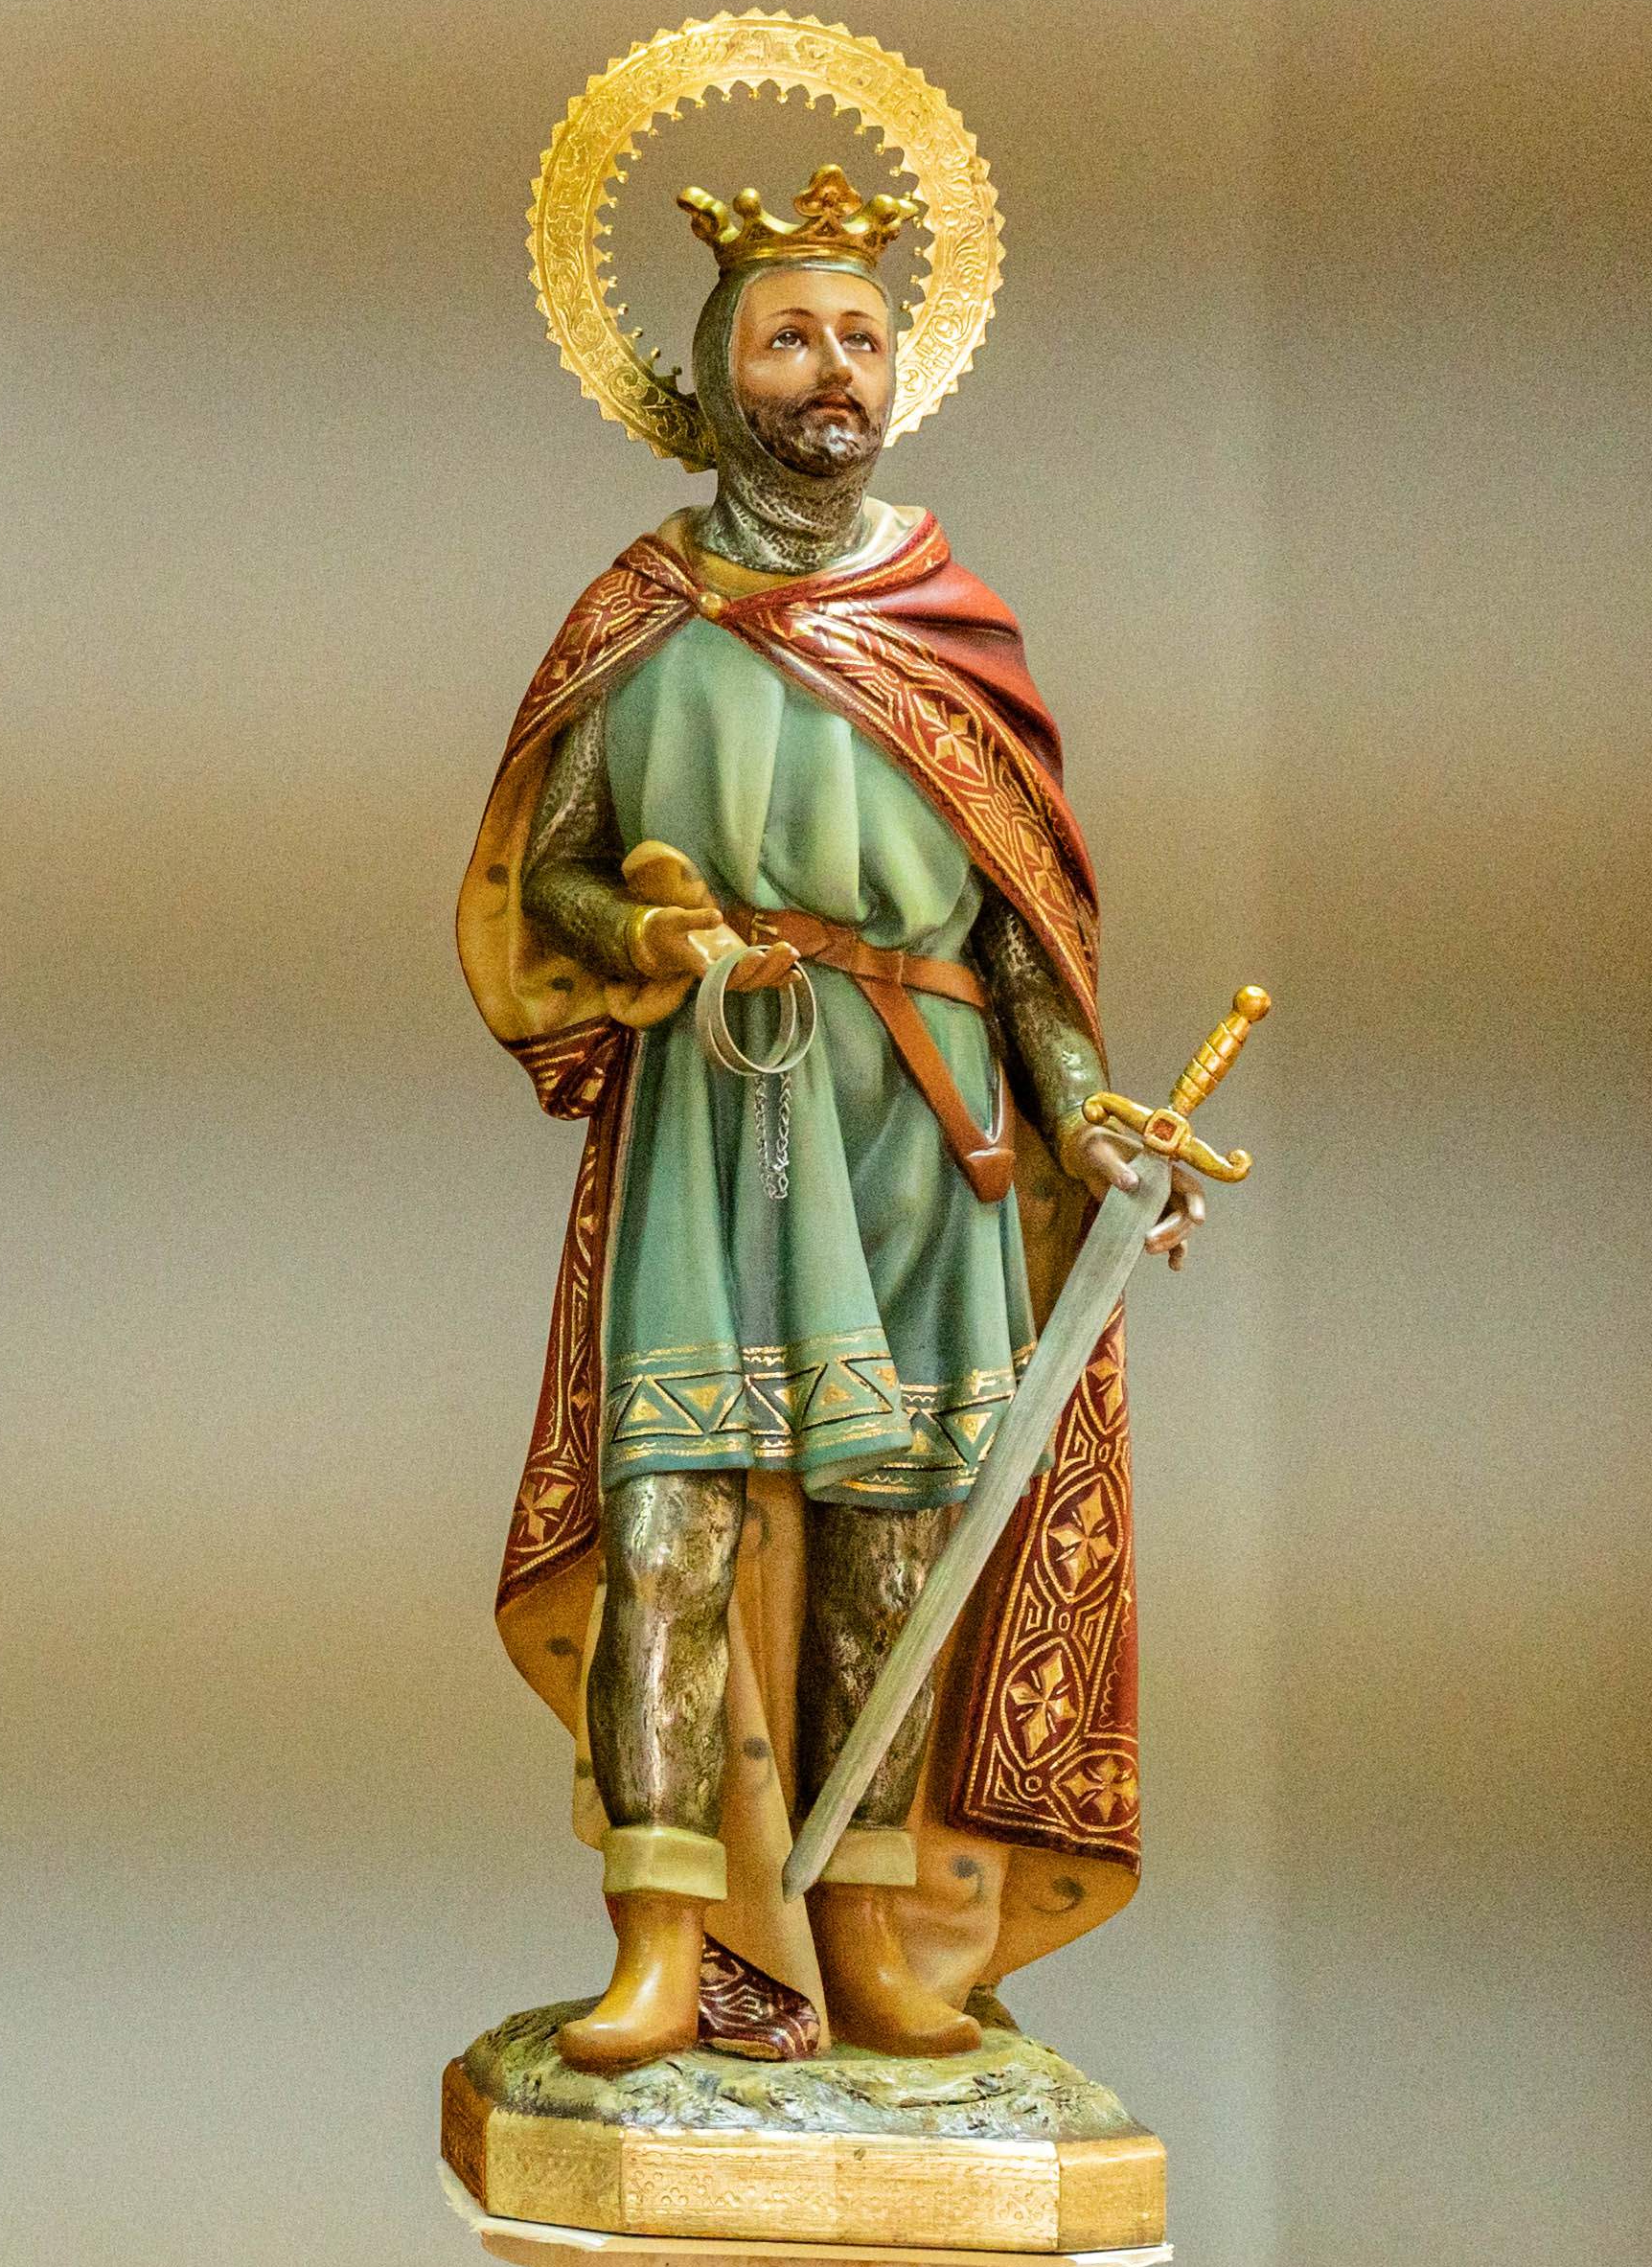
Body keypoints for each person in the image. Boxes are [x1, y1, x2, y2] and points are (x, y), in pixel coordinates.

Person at [454, 165, 1172, 2067]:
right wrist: (656, 932)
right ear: (711, 376)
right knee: (670, 1526)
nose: (827, 369)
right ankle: (667, 1943)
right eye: (788, 336)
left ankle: (863, 1933)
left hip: (921, 1134)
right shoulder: (641, 618)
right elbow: (555, 883)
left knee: (890, 1543)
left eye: (859, 335)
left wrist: (1089, 1117)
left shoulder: (948, 623)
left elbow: (1025, 934)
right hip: (721, 1107)